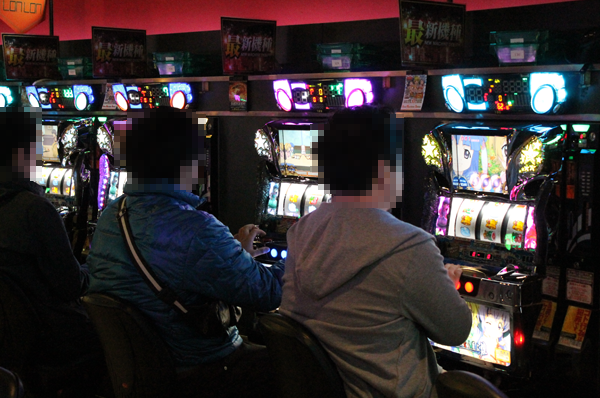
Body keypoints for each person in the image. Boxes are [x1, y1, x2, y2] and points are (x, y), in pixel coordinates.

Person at [86, 107, 283, 398]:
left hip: (142, 371)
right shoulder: (197, 229)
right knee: (294, 365)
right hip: (200, 370)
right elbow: (270, 293)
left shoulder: (112, 215)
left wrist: (234, 255)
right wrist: (310, 248)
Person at [279, 105, 472, 398]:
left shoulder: (301, 233)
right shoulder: (409, 247)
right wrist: (448, 285)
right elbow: (456, 331)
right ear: (384, 169)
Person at [0, 107, 105, 395]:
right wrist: (99, 265)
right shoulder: (34, 209)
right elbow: (70, 285)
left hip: (10, 339)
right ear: (20, 153)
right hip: (47, 337)